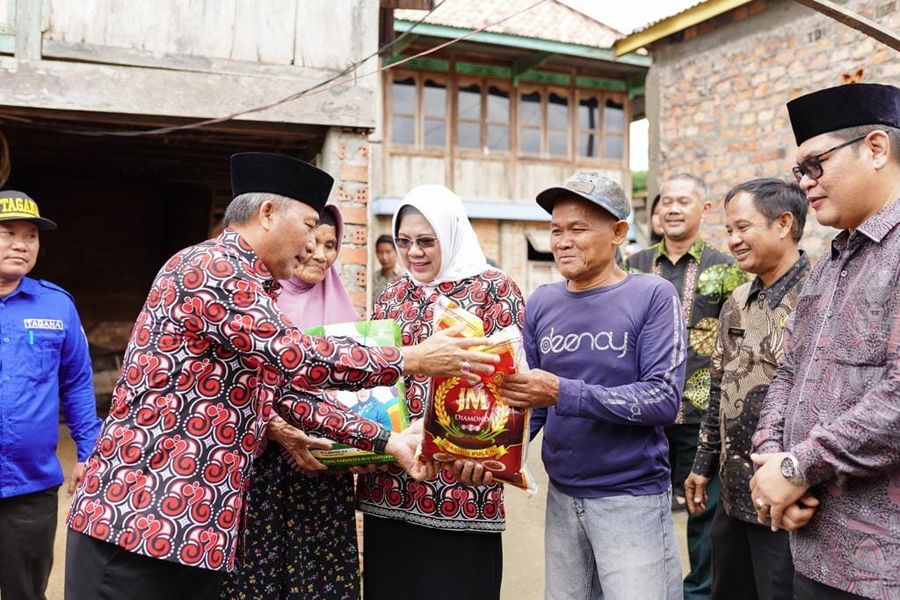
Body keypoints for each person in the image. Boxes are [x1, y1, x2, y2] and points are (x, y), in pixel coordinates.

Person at [64, 153, 499, 600]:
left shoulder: (253, 287)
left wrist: (387, 442)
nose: (313, 244)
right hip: (139, 521)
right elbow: (296, 357)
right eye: (310, 225)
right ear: (268, 213)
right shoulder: (212, 269)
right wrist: (410, 359)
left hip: (197, 534)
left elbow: (288, 393)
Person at [497, 171, 686, 600]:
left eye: (578, 229)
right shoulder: (543, 301)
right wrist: (496, 452)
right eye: (556, 230)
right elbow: (534, 403)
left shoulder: (652, 295)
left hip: (631, 497)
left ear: (619, 232)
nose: (563, 241)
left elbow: (662, 398)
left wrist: (564, 392)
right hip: (563, 497)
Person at [751, 83, 900, 600]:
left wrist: (797, 467)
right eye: (798, 172)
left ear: (876, 148)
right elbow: (789, 371)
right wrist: (770, 462)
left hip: (882, 568)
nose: (805, 184)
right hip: (810, 543)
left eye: (815, 164)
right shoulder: (831, 261)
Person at [356, 184, 525, 600]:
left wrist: (490, 455)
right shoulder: (393, 294)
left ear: (451, 233)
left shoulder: (494, 290)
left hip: (463, 484)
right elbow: (376, 378)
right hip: (391, 484)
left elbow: (515, 385)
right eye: (404, 241)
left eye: (426, 241)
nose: (414, 252)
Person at [220, 204, 364, 599]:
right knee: (255, 579)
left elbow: (362, 393)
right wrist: (278, 428)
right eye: (312, 241)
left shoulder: (344, 311)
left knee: (320, 578)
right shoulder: (253, 300)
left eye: (331, 244)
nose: (320, 254)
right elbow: (233, 381)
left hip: (322, 468)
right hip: (258, 468)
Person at [684, 178, 810, 600]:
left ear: (784, 223)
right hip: (733, 495)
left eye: (743, 228)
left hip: (788, 504)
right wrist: (703, 463)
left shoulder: (818, 297)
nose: (734, 241)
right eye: (729, 231)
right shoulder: (737, 300)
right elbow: (719, 384)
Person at [625, 173, 747, 600]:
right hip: (640, 410)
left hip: (703, 412)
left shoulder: (727, 268)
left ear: (704, 209)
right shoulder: (633, 265)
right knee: (640, 504)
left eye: (682, 201)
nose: (672, 209)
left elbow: (740, 338)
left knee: (705, 508)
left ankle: (700, 592)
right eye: (665, 203)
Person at [0, 190, 101, 600]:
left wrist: (88, 453)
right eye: (7, 233)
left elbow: (76, 382)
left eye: (31, 236)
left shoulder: (56, 305)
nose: (22, 244)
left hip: (29, 487)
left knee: (25, 592)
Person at [371, 233, 400, 305]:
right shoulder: (373, 279)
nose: (384, 257)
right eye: (380, 252)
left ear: (396, 251)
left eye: (388, 252)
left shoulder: (405, 277)